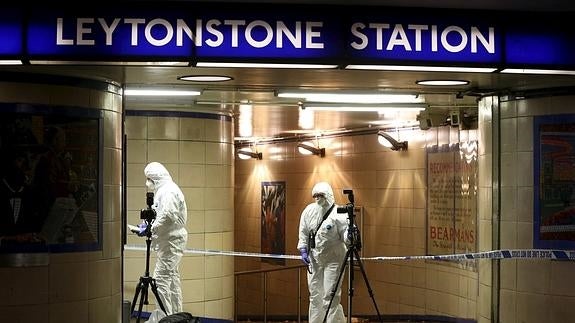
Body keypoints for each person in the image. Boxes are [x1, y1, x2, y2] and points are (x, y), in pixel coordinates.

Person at [140, 162, 188, 317]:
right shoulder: (163, 191)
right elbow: (159, 214)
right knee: (172, 281)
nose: (147, 183)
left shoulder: (169, 191)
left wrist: (151, 228)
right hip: (168, 242)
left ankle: (165, 318)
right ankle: (175, 316)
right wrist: (146, 224)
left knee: (160, 280)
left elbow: (167, 217)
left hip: (171, 242)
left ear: (156, 178)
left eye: (149, 179)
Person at [297, 182, 348, 323]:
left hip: (334, 260)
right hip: (315, 259)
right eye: (316, 195)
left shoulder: (339, 214)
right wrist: (303, 250)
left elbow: (346, 234)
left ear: (328, 196)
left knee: (330, 296)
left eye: (321, 195)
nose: (318, 198)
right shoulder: (309, 211)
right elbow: (304, 232)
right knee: (315, 295)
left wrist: (349, 237)